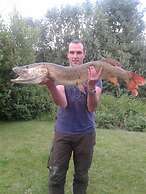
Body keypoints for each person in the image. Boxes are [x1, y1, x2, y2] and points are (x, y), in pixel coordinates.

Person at [41, 39, 102, 194]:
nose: (75, 56)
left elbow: (91, 107)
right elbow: (62, 103)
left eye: (79, 52)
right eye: (72, 52)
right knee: (56, 175)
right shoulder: (60, 74)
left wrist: (91, 87)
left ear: (84, 55)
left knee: (81, 176)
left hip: (86, 134)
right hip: (63, 132)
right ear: (67, 55)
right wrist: (50, 85)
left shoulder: (95, 76)